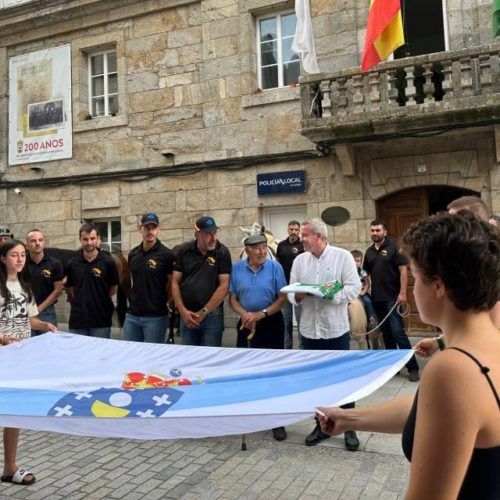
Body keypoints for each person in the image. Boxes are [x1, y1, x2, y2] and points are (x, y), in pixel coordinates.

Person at [317, 212, 500, 499]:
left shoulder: (453, 369)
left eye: (415, 278)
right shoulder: (489, 345)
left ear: (438, 286)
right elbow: (429, 411)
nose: (413, 290)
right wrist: (348, 418)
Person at [288, 218, 361, 451]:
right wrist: (297, 296)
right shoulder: (300, 260)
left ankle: (349, 427)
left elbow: (353, 287)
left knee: (343, 380)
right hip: (310, 330)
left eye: (305, 236)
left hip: (335, 329)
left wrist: (330, 294)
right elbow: (292, 291)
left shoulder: (343, 257)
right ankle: (321, 426)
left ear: (318, 236)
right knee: (316, 381)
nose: (301, 239)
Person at [0, 239, 57, 486]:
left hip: (19, 359)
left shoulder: (24, 285)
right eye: (14, 255)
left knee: (13, 413)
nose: (20, 259)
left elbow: (29, 319)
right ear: (3, 258)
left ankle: (10, 467)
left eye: (22, 254)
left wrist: (44, 325)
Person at [229, 233, 288, 441]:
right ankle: (249, 413)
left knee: (272, 372)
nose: (262, 251)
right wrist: (244, 314)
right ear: (247, 250)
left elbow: (282, 299)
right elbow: (233, 299)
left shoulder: (275, 268)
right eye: (257, 248)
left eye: (264, 247)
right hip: (246, 323)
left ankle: (276, 420)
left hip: (271, 322)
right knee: (246, 370)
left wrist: (261, 314)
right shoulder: (237, 268)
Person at [363, 220, 420, 382]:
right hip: (377, 299)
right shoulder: (369, 252)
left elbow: (403, 271)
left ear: (385, 232)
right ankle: (392, 367)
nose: (375, 233)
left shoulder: (394, 248)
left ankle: (413, 367)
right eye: (372, 230)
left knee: (397, 332)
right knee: (386, 334)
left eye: (378, 230)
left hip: (392, 298)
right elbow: (365, 273)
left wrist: (402, 293)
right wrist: (365, 287)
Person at [171, 216, 231, 347]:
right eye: (208, 234)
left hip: (212, 316)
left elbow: (224, 285)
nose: (213, 238)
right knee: (189, 357)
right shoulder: (184, 251)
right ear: (197, 234)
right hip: (187, 315)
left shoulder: (222, 252)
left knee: (211, 359)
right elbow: (175, 282)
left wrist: (203, 312)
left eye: (214, 233)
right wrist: (182, 311)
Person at [123, 213, 174, 343]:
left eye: (153, 227)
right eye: (146, 227)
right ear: (140, 229)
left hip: (155, 317)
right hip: (132, 316)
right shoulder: (133, 254)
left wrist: (165, 301)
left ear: (158, 230)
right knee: (130, 355)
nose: (150, 231)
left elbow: (171, 283)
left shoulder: (166, 255)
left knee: (152, 359)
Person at [66, 223, 118, 338]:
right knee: (78, 355)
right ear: (80, 239)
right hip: (78, 321)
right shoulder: (72, 263)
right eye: (85, 239)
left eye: (92, 238)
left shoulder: (108, 262)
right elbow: (72, 290)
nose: (89, 242)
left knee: (100, 355)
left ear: (98, 239)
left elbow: (113, 289)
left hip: (101, 321)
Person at [26, 229, 64, 336]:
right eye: (33, 241)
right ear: (27, 244)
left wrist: (38, 309)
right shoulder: (22, 264)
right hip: (25, 312)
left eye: (40, 240)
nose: (37, 243)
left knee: (49, 346)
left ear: (44, 242)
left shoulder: (55, 263)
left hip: (47, 312)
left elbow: (58, 291)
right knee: (28, 347)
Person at [276, 220, 304, 349]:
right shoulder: (281, 245)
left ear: (299, 231)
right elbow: (277, 265)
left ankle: (302, 347)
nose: (293, 232)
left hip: (299, 289)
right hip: (285, 289)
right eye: (291, 229)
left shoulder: (303, 245)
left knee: (300, 320)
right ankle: (287, 347)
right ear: (288, 230)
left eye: (296, 230)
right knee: (286, 320)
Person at [351, 249, 377, 331]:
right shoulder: (348, 272)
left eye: (358, 261)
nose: (355, 263)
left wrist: (364, 291)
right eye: (353, 261)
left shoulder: (362, 272)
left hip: (361, 292)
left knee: (367, 301)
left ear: (361, 262)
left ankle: (371, 318)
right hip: (351, 293)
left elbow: (367, 284)